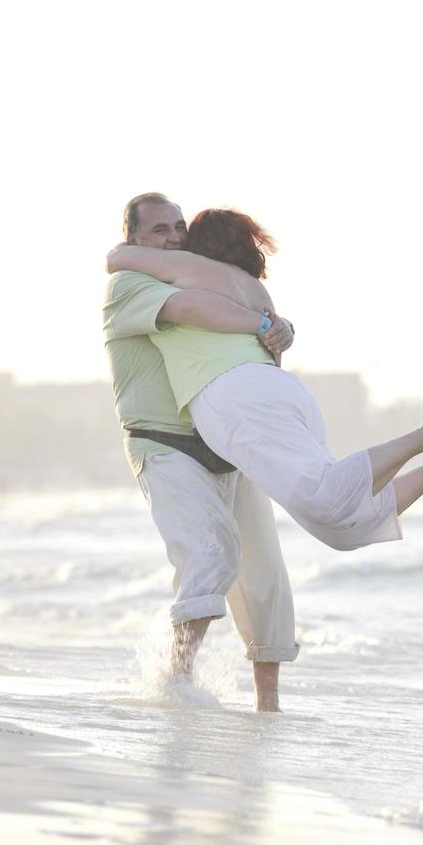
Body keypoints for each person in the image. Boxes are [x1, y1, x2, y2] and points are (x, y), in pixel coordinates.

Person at [107, 207, 423, 554]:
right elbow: (275, 351)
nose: (178, 240)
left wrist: (126, 247)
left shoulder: (194, 270)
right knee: (342, 529)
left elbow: (118, 258)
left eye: (183, 233)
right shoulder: (257, 290)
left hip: (236, 395)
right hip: (283, 391)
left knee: (325, 501)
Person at [104, 193, 299, 711]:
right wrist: (262, 323)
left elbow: (250, 327)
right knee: (211, 553)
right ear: (134, 241)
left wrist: (281, 327)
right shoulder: (131, 286)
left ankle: (268, 706)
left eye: (178, 228)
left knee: (265, 576)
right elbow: (190, 310)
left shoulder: (201, 277)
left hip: (230, 443)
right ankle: (177, 681)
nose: (173, 238)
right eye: (159, 232)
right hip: (165, 444)